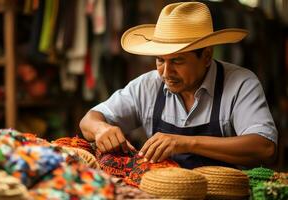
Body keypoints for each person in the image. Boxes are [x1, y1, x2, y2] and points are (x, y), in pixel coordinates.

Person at [79, 2, 277, 169]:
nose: (166, 72)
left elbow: (264, 147)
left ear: (207, 56)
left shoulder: (241, 83)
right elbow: (89, 120)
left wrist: (185, 143)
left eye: (177, 61)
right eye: (160, 60)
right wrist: (100, 129)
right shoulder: (148, 85)